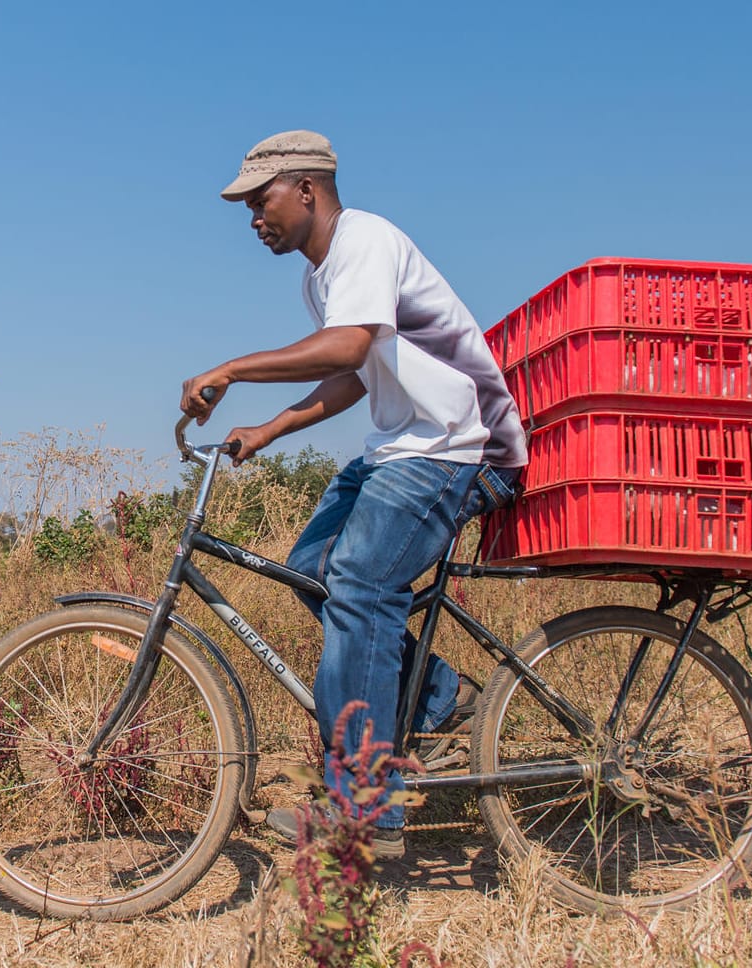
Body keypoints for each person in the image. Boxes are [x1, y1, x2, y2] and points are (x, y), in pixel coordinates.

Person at [180, 130, 528, 858]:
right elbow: (353, 372)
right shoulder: (320, 277)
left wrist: (231, 368)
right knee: (310, 569)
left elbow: (345, 348)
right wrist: (271, 428)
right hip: (404, 448)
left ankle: (366, 810)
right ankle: (438, 696)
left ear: (306, 188)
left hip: (459, 448)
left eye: (260, 199)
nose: (252, 217)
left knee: (361, 587)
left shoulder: (364, 240)